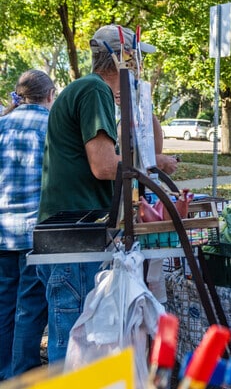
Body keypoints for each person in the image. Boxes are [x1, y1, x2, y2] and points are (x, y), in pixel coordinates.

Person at [37, 24, 156, 363]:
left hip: (75, 230)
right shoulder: (94, 90)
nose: (139, 69)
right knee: (75, 339)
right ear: (122, 58)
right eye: (136, 60)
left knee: (77, 336)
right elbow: (105, 166)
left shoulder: (88, 89)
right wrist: (145, 166)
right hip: (75, 233)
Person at [0, 70, 55, 380]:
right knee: (30, 308)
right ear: (49, 96)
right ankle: (21, 377)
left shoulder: (1, 124)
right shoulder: (50, 125)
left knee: (4, 305)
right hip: (34, 230)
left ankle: (4, 372)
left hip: (2, 230)